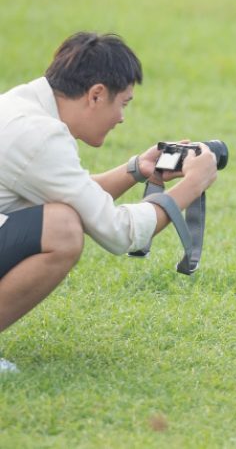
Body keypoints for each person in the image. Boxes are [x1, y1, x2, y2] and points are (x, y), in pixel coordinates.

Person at [0, 32, 218, 372]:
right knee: (62, 230)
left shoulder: (23, 104)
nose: (121, 118)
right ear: (96, 94)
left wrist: (136, 170)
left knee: (62, 218)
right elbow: (118, 233)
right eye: (123, 103)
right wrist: (193, 184)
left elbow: (74, 195)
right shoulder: (41, 137)